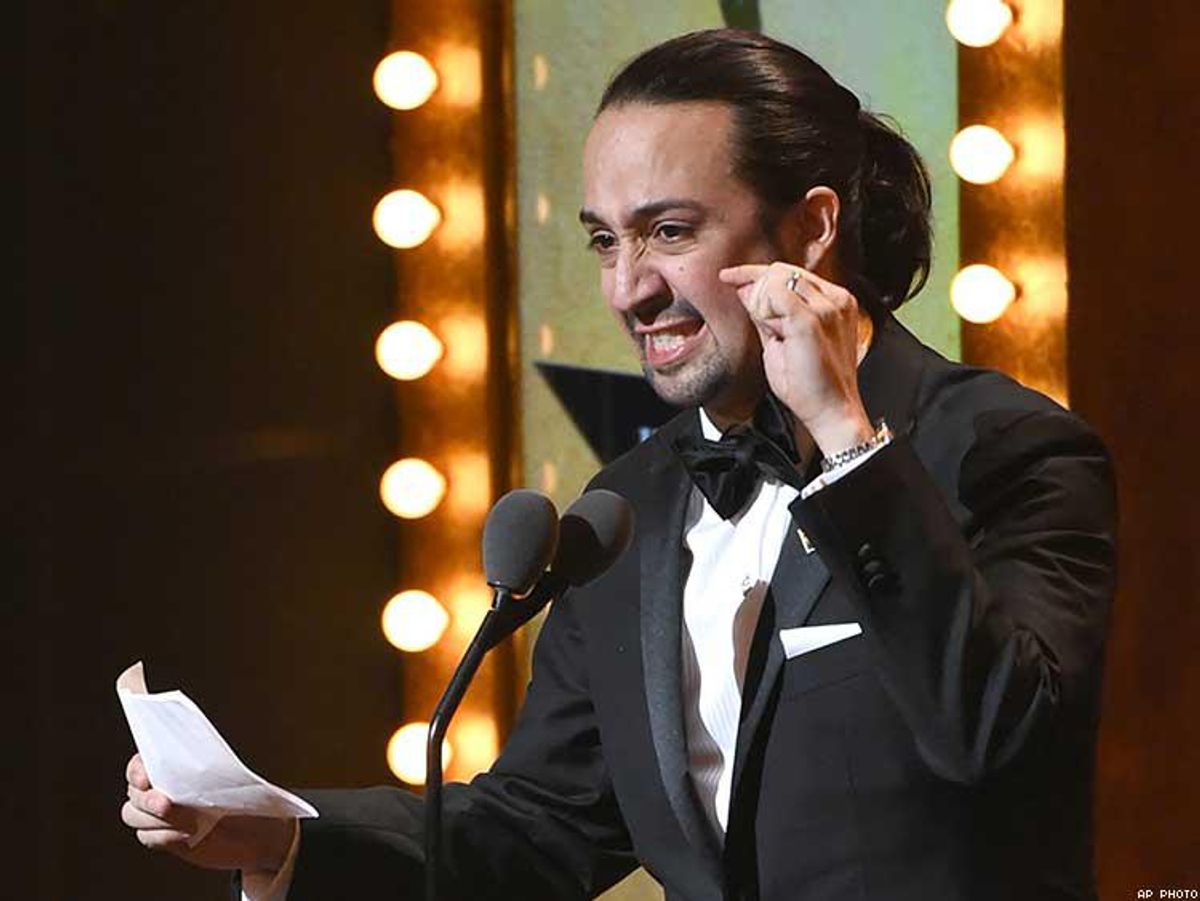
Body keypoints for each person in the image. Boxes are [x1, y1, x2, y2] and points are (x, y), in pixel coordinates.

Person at [121, 29, 1116, 900]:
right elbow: (541, 826)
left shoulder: (1006, 451)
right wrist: (282, 835)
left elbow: (1002, 746)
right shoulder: (627, 508)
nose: (628, 289)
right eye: (605, 241)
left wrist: (849, 445)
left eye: (669, 232)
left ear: (812, 229)